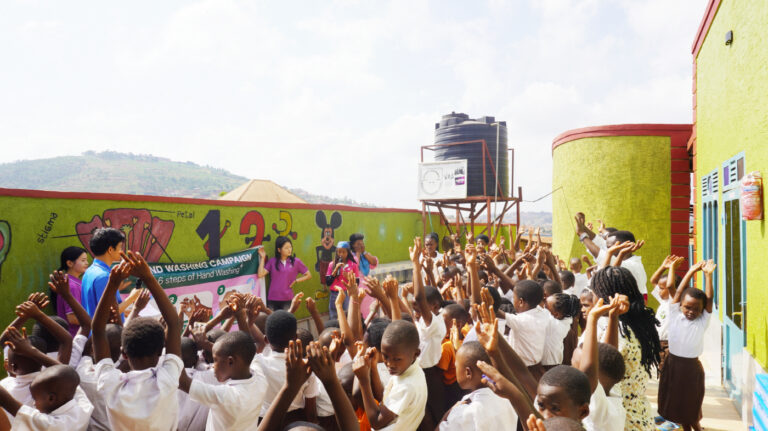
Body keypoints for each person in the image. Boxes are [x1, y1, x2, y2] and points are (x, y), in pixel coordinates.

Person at [91, 251, 183, 430]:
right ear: (160, 352)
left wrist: (112, 284)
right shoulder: (168, 379)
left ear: (123, 353)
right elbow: (173, 323)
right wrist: (148, 277)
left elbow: (97, 330)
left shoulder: (111, 385)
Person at [590, 266, 661, 431]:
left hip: (622, 418)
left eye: (593, 291)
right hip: (640, 413)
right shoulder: (642, 323)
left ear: (603, 297)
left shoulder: (614, 327)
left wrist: (606, 317)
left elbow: (607, 359)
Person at [658, 260, 716, 431]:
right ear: (680, 305)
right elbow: (671, 287)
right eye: (687, 307)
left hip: (691, 368)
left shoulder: (702, 320)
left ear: (702, 310)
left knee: (691, 408)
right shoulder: (675, 314)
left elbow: (710, 298)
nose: (691, 311)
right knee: (674, 403)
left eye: (696, 309)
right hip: (673, 364)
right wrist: (690, 270)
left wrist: (707, 275)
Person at [179, 331, 264, 431]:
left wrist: (173, 327)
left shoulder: (224, 396)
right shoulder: (260, 378)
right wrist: (207, 344)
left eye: (215, 359)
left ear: (230, 361)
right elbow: (247, 350)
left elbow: (182, 381)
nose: (212, 365)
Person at [353, 320, 428, 430]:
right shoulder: (408, 369)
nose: (389, 364)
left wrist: (364, 381)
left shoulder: (407, 386)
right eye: (385, 356)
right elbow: (384, 399)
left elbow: (376, 422)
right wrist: (373, 367)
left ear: (415, 354)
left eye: (397, 359)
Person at [252, 310, 319, 425]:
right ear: (296, 337)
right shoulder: (306, 367)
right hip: (296, 423)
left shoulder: (257, 364)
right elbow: (311, 413)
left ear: (266, 339)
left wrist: (247, 320)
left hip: (266, 423)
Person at [438, 341, 518, 430]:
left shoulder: (464, 413)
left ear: (468, 372)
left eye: (456, 366)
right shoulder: (507, 398)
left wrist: (448, 413)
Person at [0, 365, 93, 431]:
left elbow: (16, 409)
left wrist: (33, 352)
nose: (33, 404)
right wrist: (30, 351)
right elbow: (69, 376)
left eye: (35, 399)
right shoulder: (83, 407)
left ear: (51, 399)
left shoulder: (56, 425)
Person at [496, 280, 550, 380]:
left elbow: (495, 311)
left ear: (520, 302)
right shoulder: (543, 313)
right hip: (537, 368)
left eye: (513, 298)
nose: (512, 301)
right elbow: (530, 292)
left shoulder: (521, 321)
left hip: (522, 372)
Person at [81, 228, 125, 317]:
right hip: (107, 330)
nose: (122, 251)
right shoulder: (104, 276)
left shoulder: (90, 271)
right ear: (110, 250)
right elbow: (109, 313)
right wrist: (134, 297)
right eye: (120, 247)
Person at [258, 236, 311, 311]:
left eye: (290, 247)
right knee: (273, 321)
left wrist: (296, 281)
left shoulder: (296, 262)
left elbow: (308, 275)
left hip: (287, 299)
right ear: (279, 249)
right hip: (272, 298)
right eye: (286, 248)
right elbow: (260, 274)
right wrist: (262, 258)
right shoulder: (272, 261)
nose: (289, 250)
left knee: (286, 321)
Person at [53, 246, 89, 337]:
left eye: (86, 260)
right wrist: (95, 322)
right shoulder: (70, 285)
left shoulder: (74, 282)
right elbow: (72, 318)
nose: (87, 263)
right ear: (69, 263)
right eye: (83, 260)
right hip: (74, 337)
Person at [325, 241, 360, 320]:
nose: (341, 254)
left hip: (347, 294)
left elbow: (357, 282)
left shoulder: (353, 265)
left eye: (343, 252)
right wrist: (335, 270)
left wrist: (348, 277)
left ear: (348, 252)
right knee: (334, 315)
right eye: (339, 252)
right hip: (334, 293)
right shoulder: (332, 264)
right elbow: (328, 282)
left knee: (347, 314)